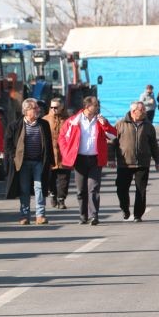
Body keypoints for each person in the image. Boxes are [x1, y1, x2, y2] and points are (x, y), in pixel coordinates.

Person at [58, 96, 117, 225]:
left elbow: (113, 135)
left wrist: (105, 125)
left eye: (97, 105)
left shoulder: (100, 121)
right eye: (95, 105)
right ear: (87, 106)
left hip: (96, 159)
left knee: (94, 188)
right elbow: (62, 138)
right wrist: (66, 152)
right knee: (81, 190)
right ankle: (83, 216)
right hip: (79, 159)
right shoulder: (74, 121)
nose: (97, 108)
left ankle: (94, 216)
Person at [4, 98, 54, 225]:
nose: (38, 110)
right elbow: (8, 144)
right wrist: (14, 156)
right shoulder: (15, 125)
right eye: (35, 108)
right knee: (24, 189)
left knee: (39, 187)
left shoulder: (43, 124)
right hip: (23, 162)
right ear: (26, 111)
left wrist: (51, 161)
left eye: (37, 108)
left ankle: (40, 215)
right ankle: (24, 215)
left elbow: (48, 144)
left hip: (39, 162)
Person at [110, 101, 159, 222]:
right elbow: (112, 143)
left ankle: (138, 214)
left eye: (144, 110)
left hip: (142, 163)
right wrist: (111, 159)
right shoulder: (120, 124)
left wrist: (158, 160)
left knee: (141, 190)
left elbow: (154, 145)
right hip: (125, 163)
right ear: (134, 112)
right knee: (121, 189)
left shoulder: (148, 126)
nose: (145, 112)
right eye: (142, 110)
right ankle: (125, 208)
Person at [43, 97, 71, 209]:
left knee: (64, 179)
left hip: (64, 154)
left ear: (62, 107)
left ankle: (61, 199)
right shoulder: (45, 120)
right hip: (50, 154)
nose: (54, 109)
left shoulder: (68, 120)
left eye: (56, 107)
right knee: (50, 178)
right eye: (52, 107)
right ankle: (53, 194)